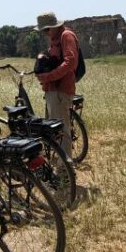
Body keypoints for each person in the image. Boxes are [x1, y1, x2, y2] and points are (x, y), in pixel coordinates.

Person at [33, 12, 79, 159]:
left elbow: (70, 62)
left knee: (61, 131)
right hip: (53, 90)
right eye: (43, 31)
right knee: (54, 129)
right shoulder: (55, 38)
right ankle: (60, 163)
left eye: (47, 30)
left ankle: (64, 171)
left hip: (60, 91)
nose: (45, 33)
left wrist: (48, 76)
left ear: (53, 26)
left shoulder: (66, 36)